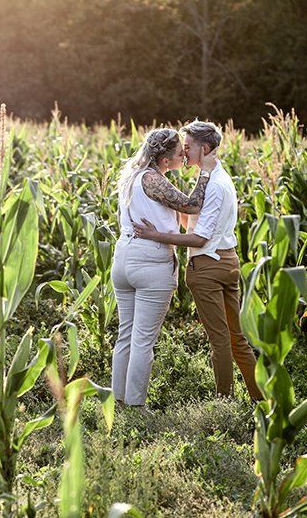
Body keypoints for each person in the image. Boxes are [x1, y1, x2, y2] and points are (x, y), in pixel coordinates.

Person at [133, 120, 263, 402]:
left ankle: (224, 402)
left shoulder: (212, 184)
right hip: (227, 262)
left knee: (220, 340)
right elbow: (195, 222)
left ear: (204, 149)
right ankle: (260, 399)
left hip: (207, 268)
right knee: (236, 338)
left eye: (188, 146)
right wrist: (177, 211)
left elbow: (200, 239)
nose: (184, 152)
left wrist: (155, 235)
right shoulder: (221, 177)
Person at [111, 128, 216, 408]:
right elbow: (192, 205)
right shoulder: (152, 178)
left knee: (126, 335)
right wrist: (205, 172)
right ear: (166, 160)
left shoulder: (132, 176)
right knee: (143, 340)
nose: (185, 155)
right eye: (180, 152)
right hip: (150, 261)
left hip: (123, 257)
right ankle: (136, 406)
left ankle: (118, 400)